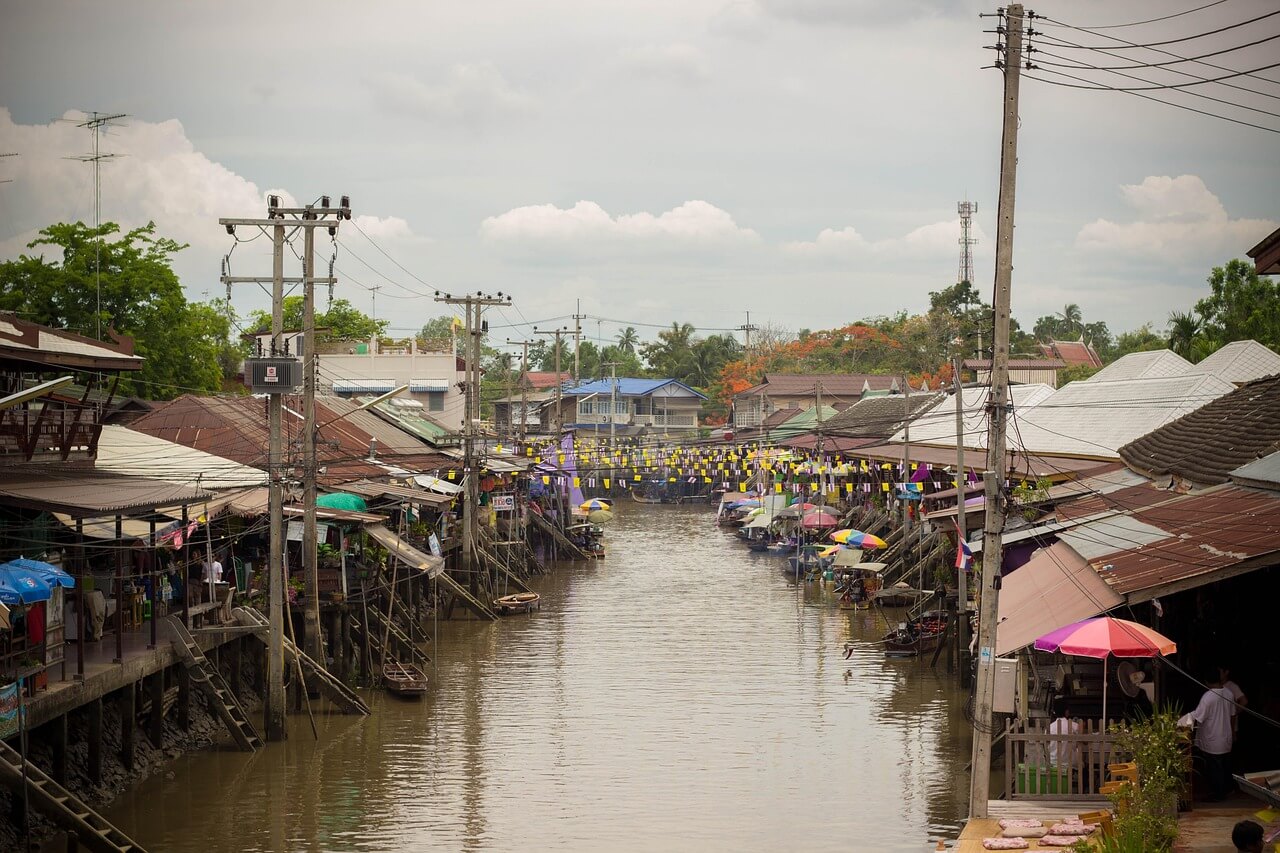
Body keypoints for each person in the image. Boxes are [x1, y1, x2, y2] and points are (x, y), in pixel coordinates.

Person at [1179, 671, 1237, 802]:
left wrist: (1181, 721)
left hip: (1213, 738)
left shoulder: (1208, 696)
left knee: (1214, 768)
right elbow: (1233, 715)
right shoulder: (1228, 693)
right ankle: (1227, 790)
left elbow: (1199, 715)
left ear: (1206, 682)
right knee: (1224, 765)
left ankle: (1218, 794)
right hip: (1225, 736)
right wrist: (1232, 732)